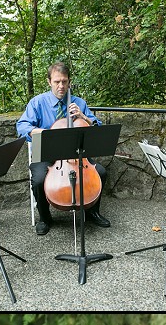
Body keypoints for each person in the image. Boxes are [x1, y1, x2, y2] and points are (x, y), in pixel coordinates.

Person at [16, 62, 111, 235]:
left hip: (76, 154)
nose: (61, 86)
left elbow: (97, 127)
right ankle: (45, 218)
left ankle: (92, 211)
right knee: (38, 180)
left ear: (69, 82)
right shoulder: (37, 103)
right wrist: (44, 133)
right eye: (57, 82)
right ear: (49, 82)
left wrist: (83, 117)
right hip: (47, 153)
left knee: (101, 172)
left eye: (64, 82)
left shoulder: (78, 103)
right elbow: (21, 127)